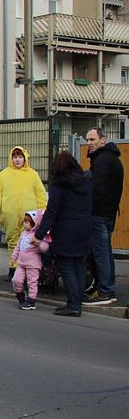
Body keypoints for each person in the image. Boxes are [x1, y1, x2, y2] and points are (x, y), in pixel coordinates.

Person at [31, 151, 92, 317]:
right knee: (79, 266)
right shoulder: (87, 182)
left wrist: (39, 235)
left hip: (66, 231)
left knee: (66, 267)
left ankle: (73, 305)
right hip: (85, 229)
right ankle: (77, 302)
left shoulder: (59, 186)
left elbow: (51, 213)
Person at [0, 146, 47, 280]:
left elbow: (40, 194)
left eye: (20, 157)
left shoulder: (33, 174)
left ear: (25, 158)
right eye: (14, 157)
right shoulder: (3, 175)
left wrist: (42, 212)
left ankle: (28, 270)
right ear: (11, 158)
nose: (17, 160)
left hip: (30, 215)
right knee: (13, 242)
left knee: (29, 242)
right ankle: (13, 269)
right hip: (10, 215)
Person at [83, 128, 123, 306]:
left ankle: (105, 291)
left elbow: (96, 188)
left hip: (99, 213)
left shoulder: (103, 160)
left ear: (103, 140)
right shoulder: (110, 158)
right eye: (87, 140)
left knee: (100, 254)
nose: (89, 143)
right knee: (105, 252)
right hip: (108, 213)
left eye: (92, 139)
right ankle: (106, 288)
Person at [11, 210, 49, 310]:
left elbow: (45, 247)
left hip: (33, 264)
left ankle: (31, 301)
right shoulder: (23, 234)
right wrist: (14, 257)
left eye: (27, 222)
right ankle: (21, 297)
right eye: (24, 221)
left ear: (34, 223)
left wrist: (38, 243)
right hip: (21, 263)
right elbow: (18, 246)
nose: (24, 224)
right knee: (16, 280)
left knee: (32, 282)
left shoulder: (37, 235)